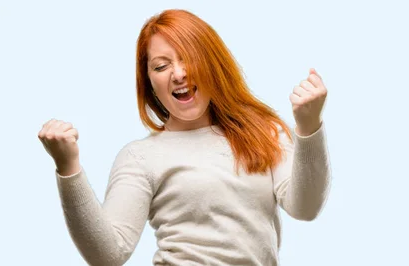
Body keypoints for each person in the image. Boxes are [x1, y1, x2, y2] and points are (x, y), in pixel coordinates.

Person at [38, 8, 331, 266]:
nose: (178, 74)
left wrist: (308, 128)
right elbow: (108, 255)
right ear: (150, 83)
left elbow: (305, 207)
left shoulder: (263, 132)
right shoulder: (140, 157)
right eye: (161, 66)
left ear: (213, 64)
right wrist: (68, 167)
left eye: (189, 58)